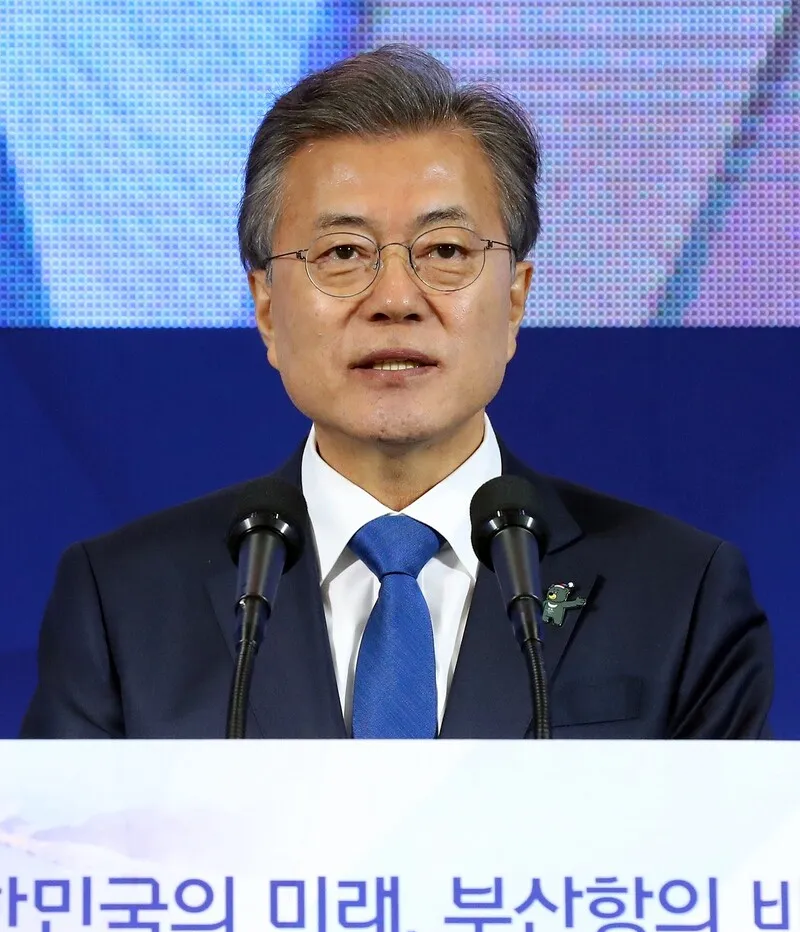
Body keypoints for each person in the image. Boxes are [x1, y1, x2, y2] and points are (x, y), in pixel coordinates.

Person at [21, 45, 772, 740]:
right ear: (267, 308)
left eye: (445, 251)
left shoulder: (682, 594)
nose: (395, 299)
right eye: (342, 253)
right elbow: (61, 877)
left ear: (515, 300)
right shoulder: (122, 602)